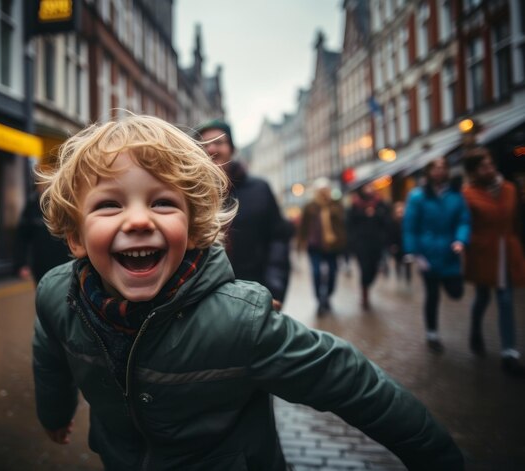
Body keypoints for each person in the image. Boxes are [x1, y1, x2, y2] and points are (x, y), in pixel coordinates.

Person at [32, 115, 463, 470]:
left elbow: (349, 380)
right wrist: (54, 411)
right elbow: (50, 356)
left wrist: (436, 455)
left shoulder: (241, 322)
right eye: (110, 204)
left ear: (195, 227)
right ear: (75, 237)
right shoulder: (57, 295)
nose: (139, 220)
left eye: (163, 202)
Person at [196, 119, 291, 306]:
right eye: (204, 144)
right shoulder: (190, 192)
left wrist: (274, 288)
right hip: (207, 300)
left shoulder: (259, 189)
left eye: (218, 142)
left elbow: (278, 239)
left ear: (232, 148)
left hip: (257, 292)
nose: (211, 149)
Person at [461, 146, 525, 377]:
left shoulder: (509, 189)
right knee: (482, 297)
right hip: (484, 253)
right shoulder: (468, 194)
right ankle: (476, 329)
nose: (489, 169)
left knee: (506, 300)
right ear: (474, 171)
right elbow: (465, 223)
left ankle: (509, 352)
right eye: (483, 166)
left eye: (490, 164)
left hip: (507, 251)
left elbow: (517, 220)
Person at [403, 157, 470, 353]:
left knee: (456, 292)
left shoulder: (456, 195)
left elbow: (464, 220)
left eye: (443, 167)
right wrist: (413, 252)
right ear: (428, 172)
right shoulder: (417, 197)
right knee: (432, 295)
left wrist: (461, 239)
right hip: (428, 255)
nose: (440, 171)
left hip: (450, 252)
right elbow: (410, 227)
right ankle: (432, 333)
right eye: (436, 168)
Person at [296, 177, 347, 314]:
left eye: (326, 190)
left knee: (332, 273)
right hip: (315, 246)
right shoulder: (310, 206)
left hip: (333, 245)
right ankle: (319, 299)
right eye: (321, 190)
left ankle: (328, 296)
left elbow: (343, 224)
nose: (323, 193)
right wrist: (300, 244)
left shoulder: (336, 204)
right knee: (317, 272)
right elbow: (303, 227)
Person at [13, 172, 71, 284]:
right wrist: (21, 264)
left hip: (66, 266)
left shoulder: (65, 204)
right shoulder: (31, 206)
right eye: (43, 183)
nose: (46, 187)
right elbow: (21, 238)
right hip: (41, 267)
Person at [347, 183, 391, 309]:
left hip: (376, 243)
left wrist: (375, 213)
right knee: (364, 269)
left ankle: (368, 283)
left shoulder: (380, 204)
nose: (369, 190)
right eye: (366, 187)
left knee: (374, 268)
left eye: (371, 187)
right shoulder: (355, 206)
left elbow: (386, 222)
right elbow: (350, 224)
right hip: (361, 244)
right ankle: (365, 295)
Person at [388, 201, 411, 286]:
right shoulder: (392, 222)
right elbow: (390, 235)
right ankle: (399, 277)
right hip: (397, 246)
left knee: (408, 263)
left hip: (406, 245)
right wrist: (392, 245)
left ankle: (408, 279)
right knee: (398, 262)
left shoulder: (407, 221)